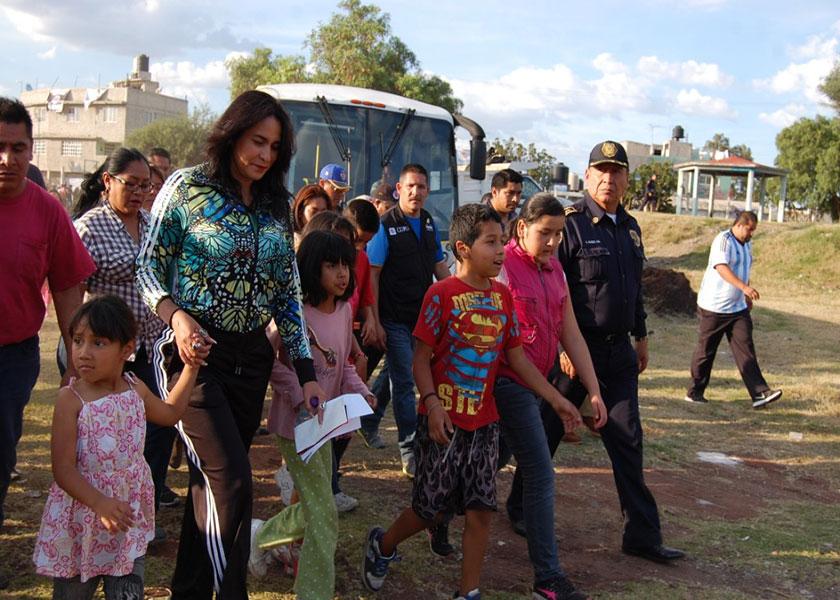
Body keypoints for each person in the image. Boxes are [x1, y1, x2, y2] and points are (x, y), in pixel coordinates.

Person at [136, 90, 325, 598]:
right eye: (256, 141)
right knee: (235, 483)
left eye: (274, 146)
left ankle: (189, 591)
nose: (264, 155)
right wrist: (175, 318)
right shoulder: (186, 187)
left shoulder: (275, 203)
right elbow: (147, 268)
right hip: (193, 360)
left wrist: (306, 373)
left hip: (251, 363)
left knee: (212, 487)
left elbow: (287, 292)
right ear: (232, 134)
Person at [362, 203, 582, 600]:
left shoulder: (502, 297)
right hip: (443, 424)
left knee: (481, 511)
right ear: (463, 248)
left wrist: (557, 399)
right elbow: (420, 358)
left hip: (485, 423)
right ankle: (383, 544)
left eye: (501, 242)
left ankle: (469, 592)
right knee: (429, 509)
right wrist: (431, 404)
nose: (500, 251)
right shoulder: (440, 294)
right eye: (490, 242)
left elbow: (517, 360)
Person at [553, 141, 685, 564]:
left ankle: (642, 536)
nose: (609, 179)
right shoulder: (569, 224)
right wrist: (562, 344)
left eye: (617, 172)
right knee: (546, 432)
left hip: (619, 355)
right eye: (601, 171)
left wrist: (641, 334)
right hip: (577, 351)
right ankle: (520, 507)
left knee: (629, 441)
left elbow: (634, 288)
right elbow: (556, 291)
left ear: (627, 180)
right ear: (587, 176)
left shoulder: (631, 227)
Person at [32, 296, 200, 599]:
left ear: (127, 349)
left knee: (127, 591)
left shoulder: (135, 388)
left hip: (127, 517)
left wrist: (190, 369)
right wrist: (98, 502)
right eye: (78, 340)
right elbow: (63, 470)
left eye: (98, 343)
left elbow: (170, 414)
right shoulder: (70, 400)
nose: (83, 352)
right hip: (82, 522)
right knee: (73, 593)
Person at [252, 231, 376, 598]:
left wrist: (361, 391)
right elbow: (267, 361)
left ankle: (262, 535)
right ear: (310, 267)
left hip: (330, 426)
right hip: (295, 429)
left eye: (346, 266)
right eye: (331, 265)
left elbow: (342, 366)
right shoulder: (293, 311)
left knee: (316, 507)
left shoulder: (344, 310)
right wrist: (297, 390)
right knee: (324, 515)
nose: (342, 274)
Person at [496, 193, 607, 600]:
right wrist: (559, 400)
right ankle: (548, 578)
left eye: (559, 235)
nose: (553, 243)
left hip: (536, 386)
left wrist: (592, 391)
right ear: (522, 228)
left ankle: (433, 512)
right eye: (545, 233)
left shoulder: (556, 270)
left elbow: (570, 333)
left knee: (487, 465)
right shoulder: (500, 266)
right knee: (541, 473)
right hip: (506, 385)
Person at [0, 98, 94, 572]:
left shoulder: (48, 212)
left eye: (18, 148)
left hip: (11, 359)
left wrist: (76, 365)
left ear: (32, 150)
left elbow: (67, 288)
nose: (8, 159)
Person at [73, 148, 178, 537]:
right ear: (108, 182)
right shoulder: (90, 228)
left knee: (156, 428)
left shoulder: (153, 225)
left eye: (144, 186)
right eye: (130, 184)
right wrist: (78, 350)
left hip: (149, 346)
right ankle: (100, 512)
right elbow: (76, 292)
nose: (138, 193)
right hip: (105, 353)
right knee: (108, 438)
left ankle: (141, 511)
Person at [364, 163, 451, 476]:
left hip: (422, 319)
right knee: (405, 381)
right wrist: (372, 318)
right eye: (410, 186)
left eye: (422, 187)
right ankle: (409, 449)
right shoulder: (385, 225)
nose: (416, 192)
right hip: (393, 318)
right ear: (398, 189)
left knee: (395, 375)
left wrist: (457, 295)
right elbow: (372, 275)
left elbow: (440, 267)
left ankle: (368, 422)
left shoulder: (428, 222)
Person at [686, 210, 782, 408]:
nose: (751, 234)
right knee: (706, 351)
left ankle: (759, 394)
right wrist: (744, 287)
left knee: (746, 348)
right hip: (714, 307)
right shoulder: (723, 240)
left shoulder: (748, 245)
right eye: (749, 229)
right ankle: (694, 392)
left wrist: (746, 295)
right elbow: (721, 267)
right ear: (739, 225)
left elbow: (744, 270)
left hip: (737, 309)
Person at [483, 168, 523, 234]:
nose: (515, 199)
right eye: (510, 193)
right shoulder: (480, 220)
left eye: (518, 193)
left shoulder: (516, 220)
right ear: (494, 192)